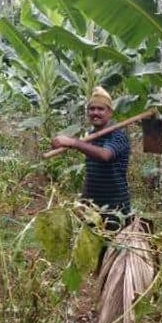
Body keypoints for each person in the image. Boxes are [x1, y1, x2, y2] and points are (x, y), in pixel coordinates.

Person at [50, 86, 131, 231]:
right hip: (93, 207)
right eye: (92, 109)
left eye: (101, 109)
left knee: (113, 251)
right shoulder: (91, 136)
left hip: (115, 209)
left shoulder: (118, 135)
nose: (95, 113)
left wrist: (73, 142)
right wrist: (83, 200)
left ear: (110, 112)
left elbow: (105, 155)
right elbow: (91, 171)